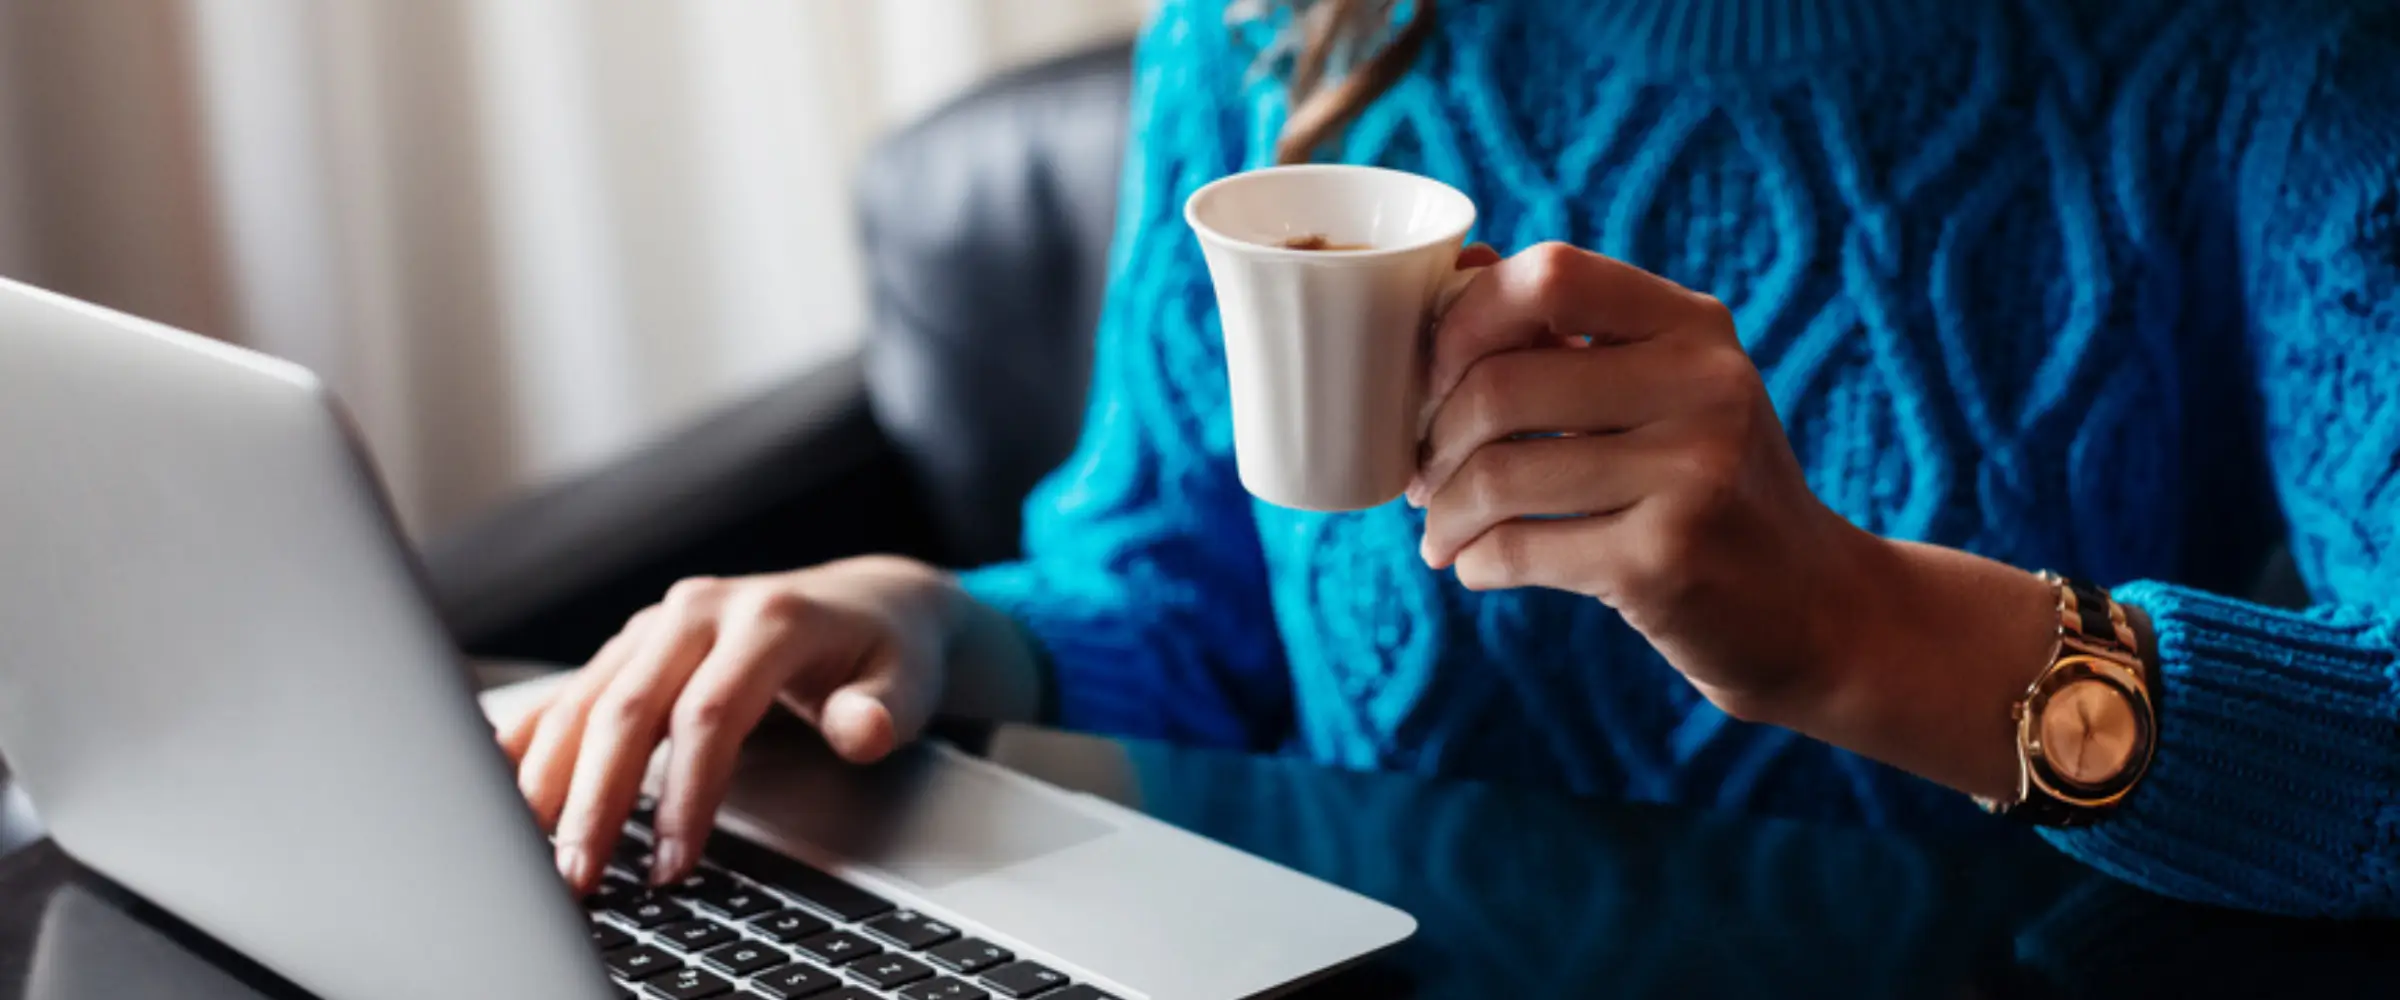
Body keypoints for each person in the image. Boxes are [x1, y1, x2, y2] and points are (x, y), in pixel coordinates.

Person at [500, 0, 2400, 918]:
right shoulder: (1280, 37)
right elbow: (1184, 611)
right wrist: (916, 626)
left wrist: (1850, 627)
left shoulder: (2278, 55)